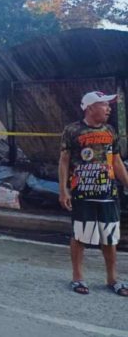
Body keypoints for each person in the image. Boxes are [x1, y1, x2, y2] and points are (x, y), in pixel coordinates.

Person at [59, 91, 128, 296]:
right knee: (80, 236)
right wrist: (63, 190)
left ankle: (112, 279)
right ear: (90, 108)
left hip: (108, 193)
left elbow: (116, 161)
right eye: (104, 104)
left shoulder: (110, 130)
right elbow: (64, 161)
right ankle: (78, 278)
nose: (109, 108)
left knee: (109, 237)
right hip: (82, 194)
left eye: (109, 105)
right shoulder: (72, 130)